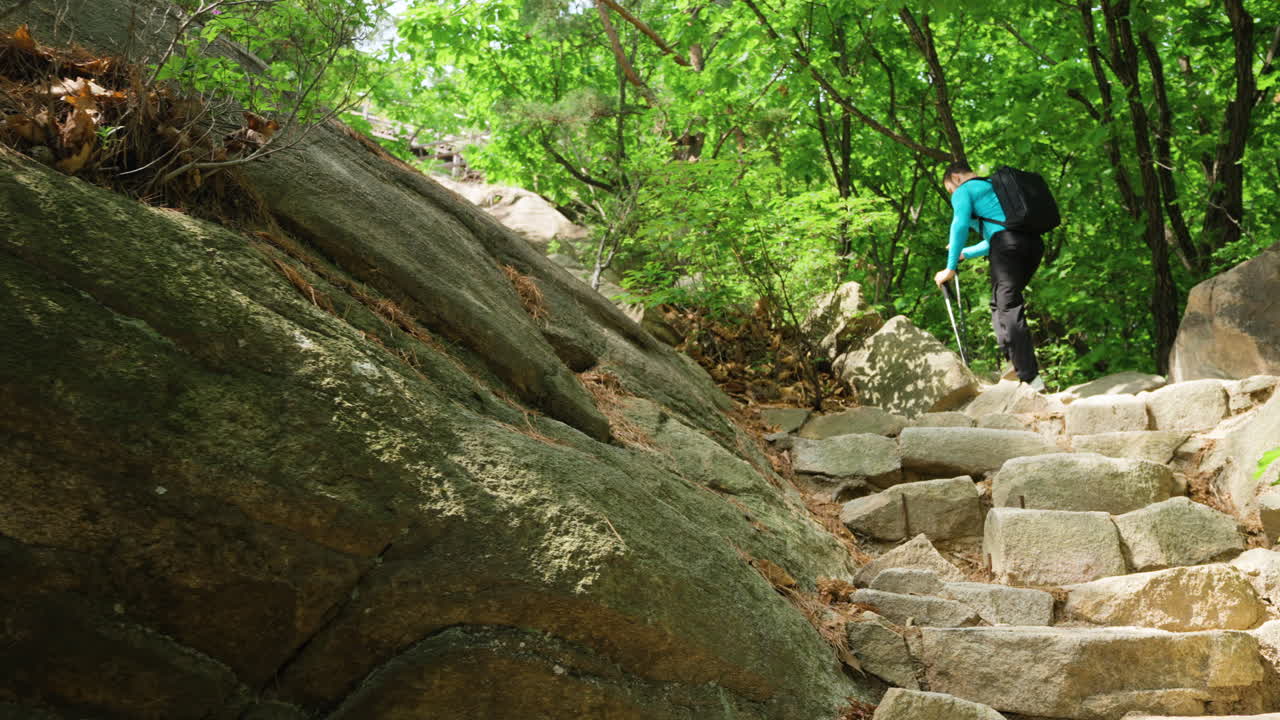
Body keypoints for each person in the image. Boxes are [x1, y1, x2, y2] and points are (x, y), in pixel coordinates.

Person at [933, 161, 1045, 390]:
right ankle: (1015, 366)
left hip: (1008, 247)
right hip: (1032, 245)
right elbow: (997, 237)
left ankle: (1029, 378)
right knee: (1001, 302)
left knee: (1007, 305)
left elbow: (959, 224)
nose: (953, 194)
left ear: (955, 178)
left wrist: (950, 266)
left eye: (950, 190)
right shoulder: (997, 188)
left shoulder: (965, 189)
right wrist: (966, 253)